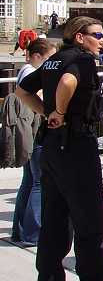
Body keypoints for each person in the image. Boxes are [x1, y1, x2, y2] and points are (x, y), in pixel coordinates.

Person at [15, 17, 103, 281]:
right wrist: (60, 111)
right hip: (77, 146)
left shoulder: (53, 61)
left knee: (54, 222)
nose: (102, 40)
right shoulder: (82, 61)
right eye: (97, 35)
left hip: (52, 147)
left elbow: (21, 91)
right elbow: (69, 82)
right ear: (79, 37)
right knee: (90, 222)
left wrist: (48, 112)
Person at [11, 38, 57, 246]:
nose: (51, 63)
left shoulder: (23, 71)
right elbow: (40, 101)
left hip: (29, 131)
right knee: (38, 183)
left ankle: (19, 229)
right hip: (37, 131)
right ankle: (33, 232)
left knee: (28, 181)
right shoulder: (32, 74)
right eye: (48, 58)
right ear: (37, 56)